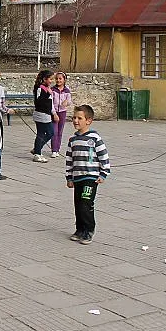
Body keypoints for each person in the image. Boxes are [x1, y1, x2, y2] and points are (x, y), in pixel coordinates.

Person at [65, 104, 110, 245]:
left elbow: (104, 156)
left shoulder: (94, 138)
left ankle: (88, 230)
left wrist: (104, 173)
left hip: (90, 178)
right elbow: (69, 160)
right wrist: (69, 177)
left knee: (86, 203)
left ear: (88, 120)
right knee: (78, 205)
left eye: (80, 118)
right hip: (77, 177)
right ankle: (79, 230)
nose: (76, 121)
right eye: (74, 118)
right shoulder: (72, 140)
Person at [32, 69, 57, 162]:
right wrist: (47, 94)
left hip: (46, 114)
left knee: (44, 133)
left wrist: (53, 113)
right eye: (50, 79)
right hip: (41, 114)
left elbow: (50, 103)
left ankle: (37, 150)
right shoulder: (39, 88)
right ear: (44, 79)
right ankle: (37, 152)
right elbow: (39, 102)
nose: (51, 81)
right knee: (47, 133)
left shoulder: (47, 88)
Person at [51, 72, 72, 158]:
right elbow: (50, 103)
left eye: (60, 79)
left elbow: (69, 101)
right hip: (54, 112)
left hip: (62, 112)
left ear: (64, 80)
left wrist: (66, 102)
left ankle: (57, 149)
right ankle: (54, 150)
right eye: (57, 79)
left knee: (60, 132)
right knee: (54, 132)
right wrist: (54, 113)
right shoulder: (52, 90)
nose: (58, 80)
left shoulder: (67, 91)